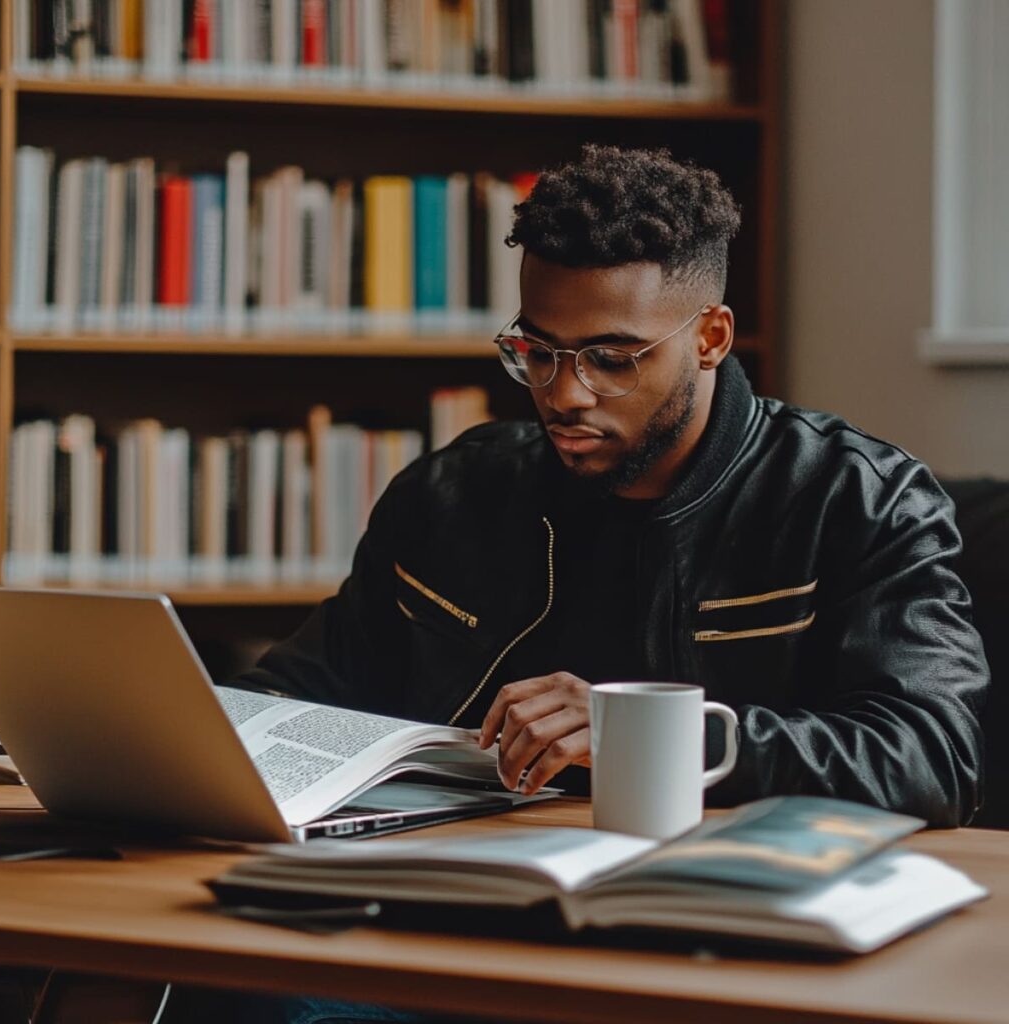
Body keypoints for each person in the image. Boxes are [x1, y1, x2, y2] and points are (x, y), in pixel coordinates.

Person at [217, 143, 987, 1024]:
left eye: (612, 358)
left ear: (710, 338)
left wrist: (649, 736)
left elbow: (931, 756)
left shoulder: (857, 498)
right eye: (536, 352)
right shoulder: (453, 494)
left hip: (725, 937)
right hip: (451, 924)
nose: (564, 393)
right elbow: (303, 691)